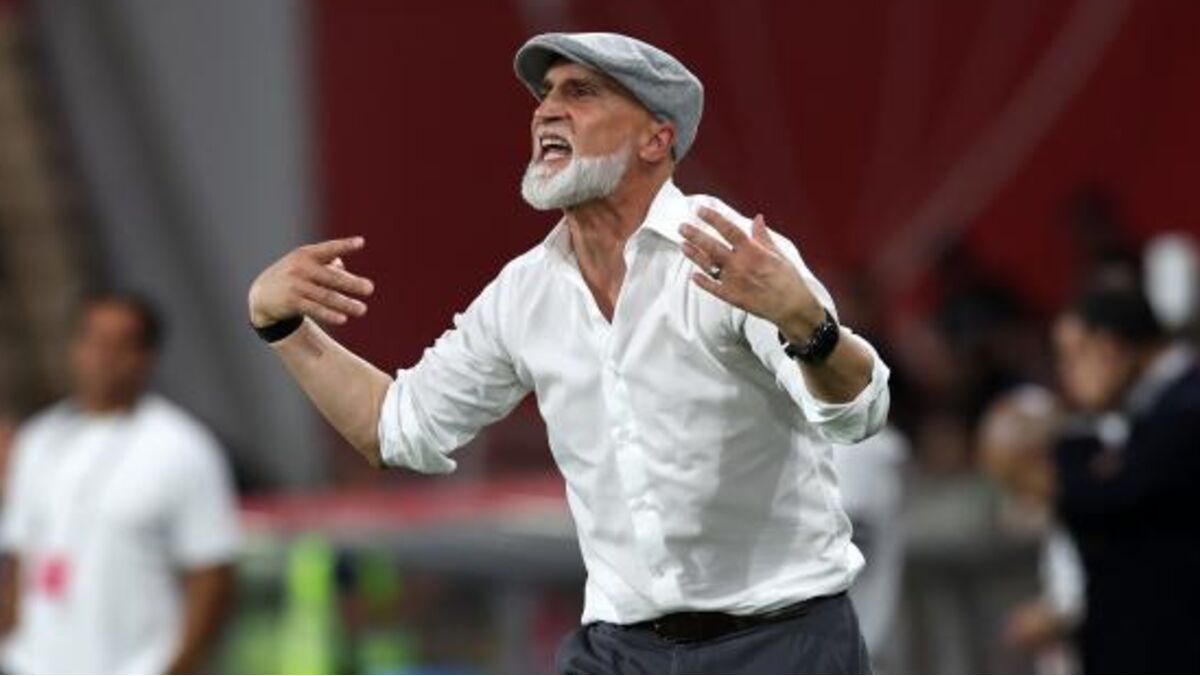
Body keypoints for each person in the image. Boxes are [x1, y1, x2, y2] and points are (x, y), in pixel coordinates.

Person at [248, 32, 890, 674]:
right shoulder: (524, 292)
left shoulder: (731, 252)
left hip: (780, 643)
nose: (547, 111)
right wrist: (282, 326)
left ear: (656, 139)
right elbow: (395, 427)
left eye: (581, 92)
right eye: (545, 94)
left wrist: (808, 324)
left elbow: (859, 412)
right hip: (620, 651)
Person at [0, 293, 240, 673]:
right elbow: (18, 556)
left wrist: (179, 666)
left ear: (147, 357)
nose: (102, 357)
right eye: (92, 340)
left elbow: (211, 574)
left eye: (119, 346)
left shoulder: (184, 448)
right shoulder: (39, 438)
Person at [1051, 272, 1200, 673]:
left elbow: (1107, 503)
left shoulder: (1185, 412)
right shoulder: (1154, 412)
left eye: (1072, 356)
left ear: (1108, 347)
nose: (1065, 374)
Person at [977, 385, 1084, 674]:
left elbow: (1084, 596)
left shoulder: (1090, 508)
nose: (1015, 496)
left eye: (1015, 481)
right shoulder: (1057, 511)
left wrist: (1046, 618)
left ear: (1043, 460)